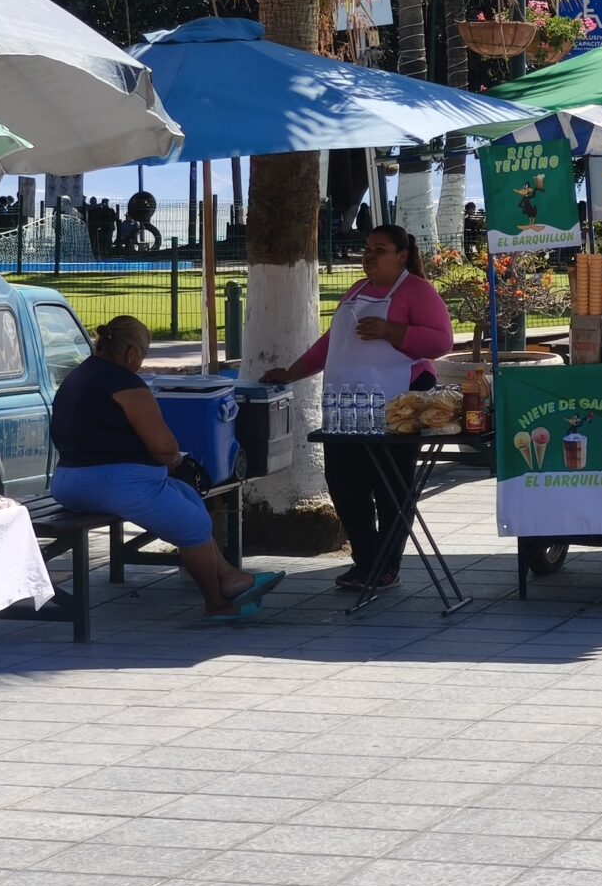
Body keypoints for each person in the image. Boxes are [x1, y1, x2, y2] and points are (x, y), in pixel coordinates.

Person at [50, 316, 279, 622]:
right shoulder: (126, 383)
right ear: (132, 354)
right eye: (142, 357)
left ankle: (229, 577)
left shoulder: (78, 375)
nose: (141, 365)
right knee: (192, 526)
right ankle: (215, 602)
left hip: (68, 481)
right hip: (113, 481)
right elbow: (164, 447)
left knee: (186, 496)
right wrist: (174, 459)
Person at [265, 222, 454, 591]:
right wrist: (291, 373)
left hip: (401, 400)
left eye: (380, 250)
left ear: (401, 256)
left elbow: (441, 341)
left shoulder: (417, 291)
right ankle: (366, 558)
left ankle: (386, 566)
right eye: (367, 248)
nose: (369, 255)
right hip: (348, 402)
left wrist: (391, 331)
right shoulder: (356, 291)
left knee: (391, 487)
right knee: (344, 483)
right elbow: (330, 342)